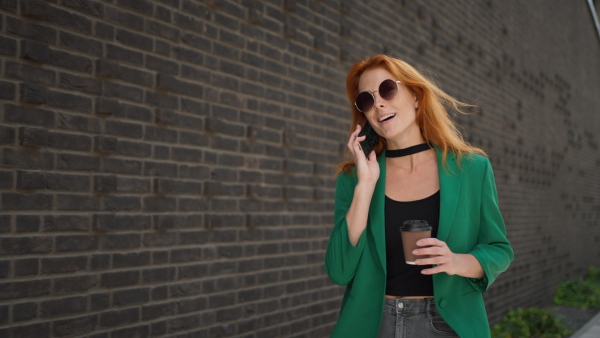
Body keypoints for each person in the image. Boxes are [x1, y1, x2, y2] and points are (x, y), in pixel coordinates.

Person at [324, 54, 513, 338]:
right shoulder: (354, 178)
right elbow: (339, 271)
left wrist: (455, 261)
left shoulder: (471, 168)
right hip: (374, 326)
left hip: (446, 325)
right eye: (366, 100)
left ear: (415, 95)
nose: (378, 104)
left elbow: (499, 249)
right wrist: (365, 185)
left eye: (388, 89)